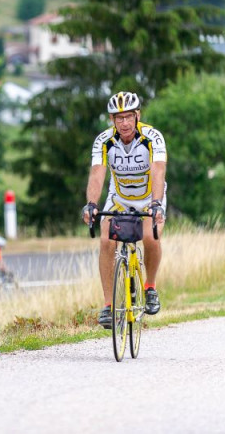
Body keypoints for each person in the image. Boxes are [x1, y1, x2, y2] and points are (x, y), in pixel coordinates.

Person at [81, 91, 167, 329]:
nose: (125, 123)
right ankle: (109, 306)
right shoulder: (103, 141)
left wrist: (157, 203)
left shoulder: (153, 138)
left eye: (128, 117)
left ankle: (150, 287)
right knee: (106, 240)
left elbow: (158, 170)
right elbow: (97, 172)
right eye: (119, 118)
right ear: (112, 120)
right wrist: (92, 204)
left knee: (151, 237)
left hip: (150, 197)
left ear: (137, 115)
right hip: (119, 197)